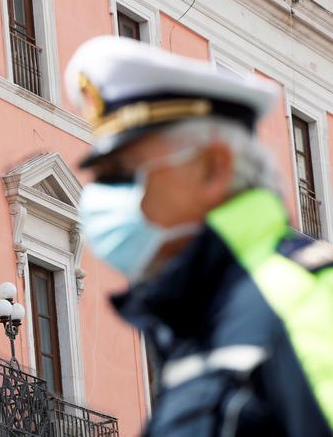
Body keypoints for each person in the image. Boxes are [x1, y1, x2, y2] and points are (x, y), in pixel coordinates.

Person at [66, 36, 333, 436]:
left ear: (212, 169)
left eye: (123, 172)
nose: (99, 196)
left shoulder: (305, 301)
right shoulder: (195, 329)